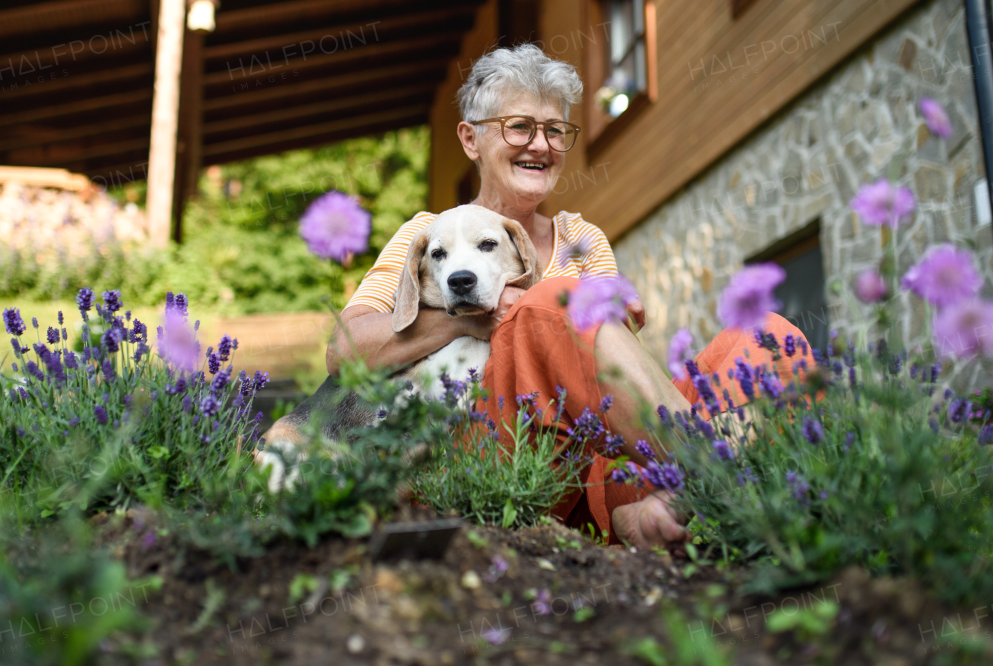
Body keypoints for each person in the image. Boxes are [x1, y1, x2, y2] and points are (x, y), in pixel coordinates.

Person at [325, 44, 809, 548]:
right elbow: (344, 350)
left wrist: (610, 316)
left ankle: (649, 509)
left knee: (769, 338)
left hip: (594, 467)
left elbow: (614, 382)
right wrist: (471, 315)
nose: (540, 145)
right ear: (471, 139)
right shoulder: (430, 238)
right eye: (519, 127)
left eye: (555, 130)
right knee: (554, 302)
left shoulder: (582, 238)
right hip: (490, 453)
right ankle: (721, 474)